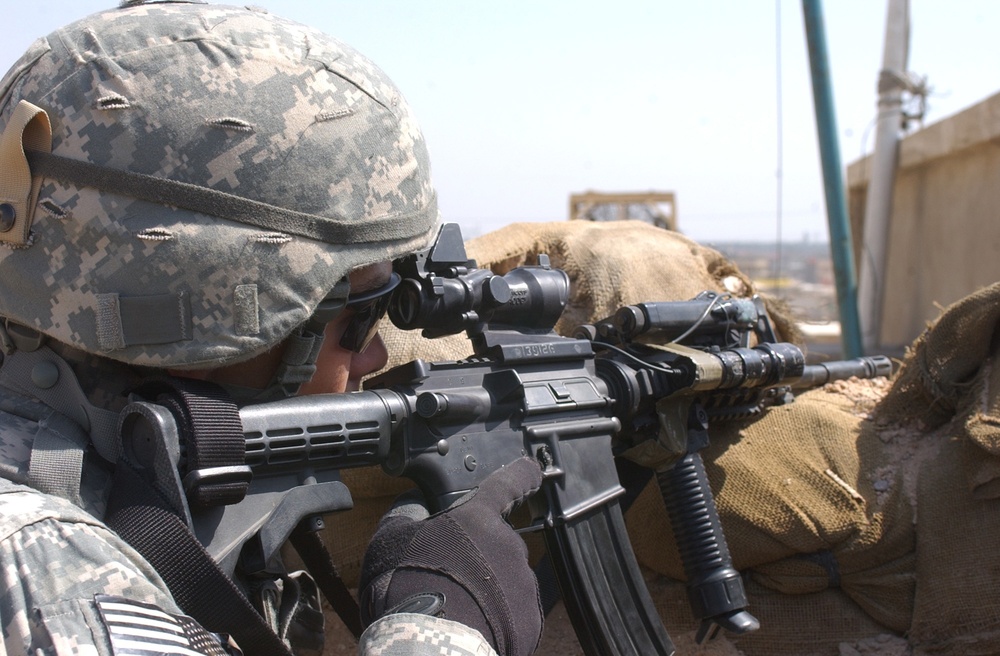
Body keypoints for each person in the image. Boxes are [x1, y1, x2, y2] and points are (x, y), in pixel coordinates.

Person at [0, 2, 542, 655]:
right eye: (363, 313)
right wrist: (438, 625)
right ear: (214, 320)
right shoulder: (47, 579)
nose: (373, 354)